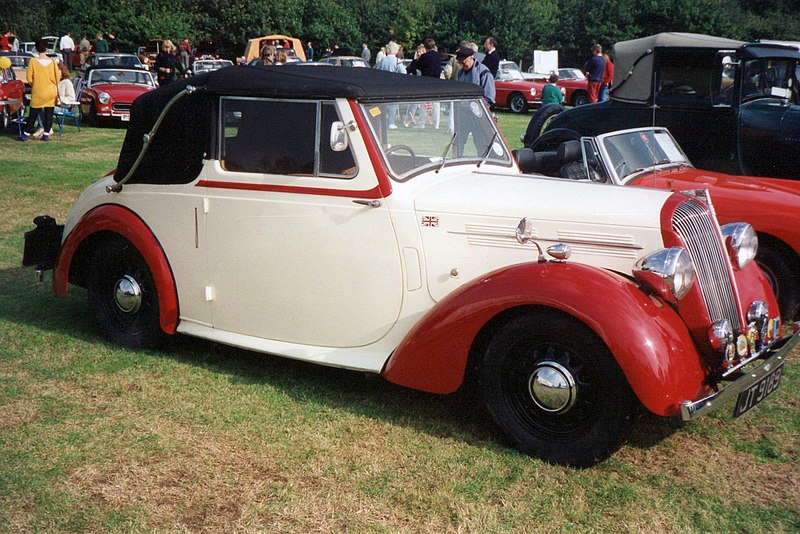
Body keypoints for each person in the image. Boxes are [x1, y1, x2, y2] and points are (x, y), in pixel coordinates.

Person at [19, 39, 59, 142]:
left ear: (36, 49)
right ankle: (46, 134)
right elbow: (57, 78)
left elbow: (29, 77)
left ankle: (26, 133)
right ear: (47, 48)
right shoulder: (53, 62)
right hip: (50, 91)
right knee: (49, 113)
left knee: (33, 113)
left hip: (38, 90)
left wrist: (35, 84)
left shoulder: (33, 61)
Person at [375, 41, 407, 128]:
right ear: (396, 51)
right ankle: (391, 122)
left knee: (382, 105)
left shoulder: (382, 60)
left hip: (382, 85)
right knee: (392, 104)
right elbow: (403, 73)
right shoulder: (397, 61)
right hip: (393, 86)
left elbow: (376, 71)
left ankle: (381, 121)